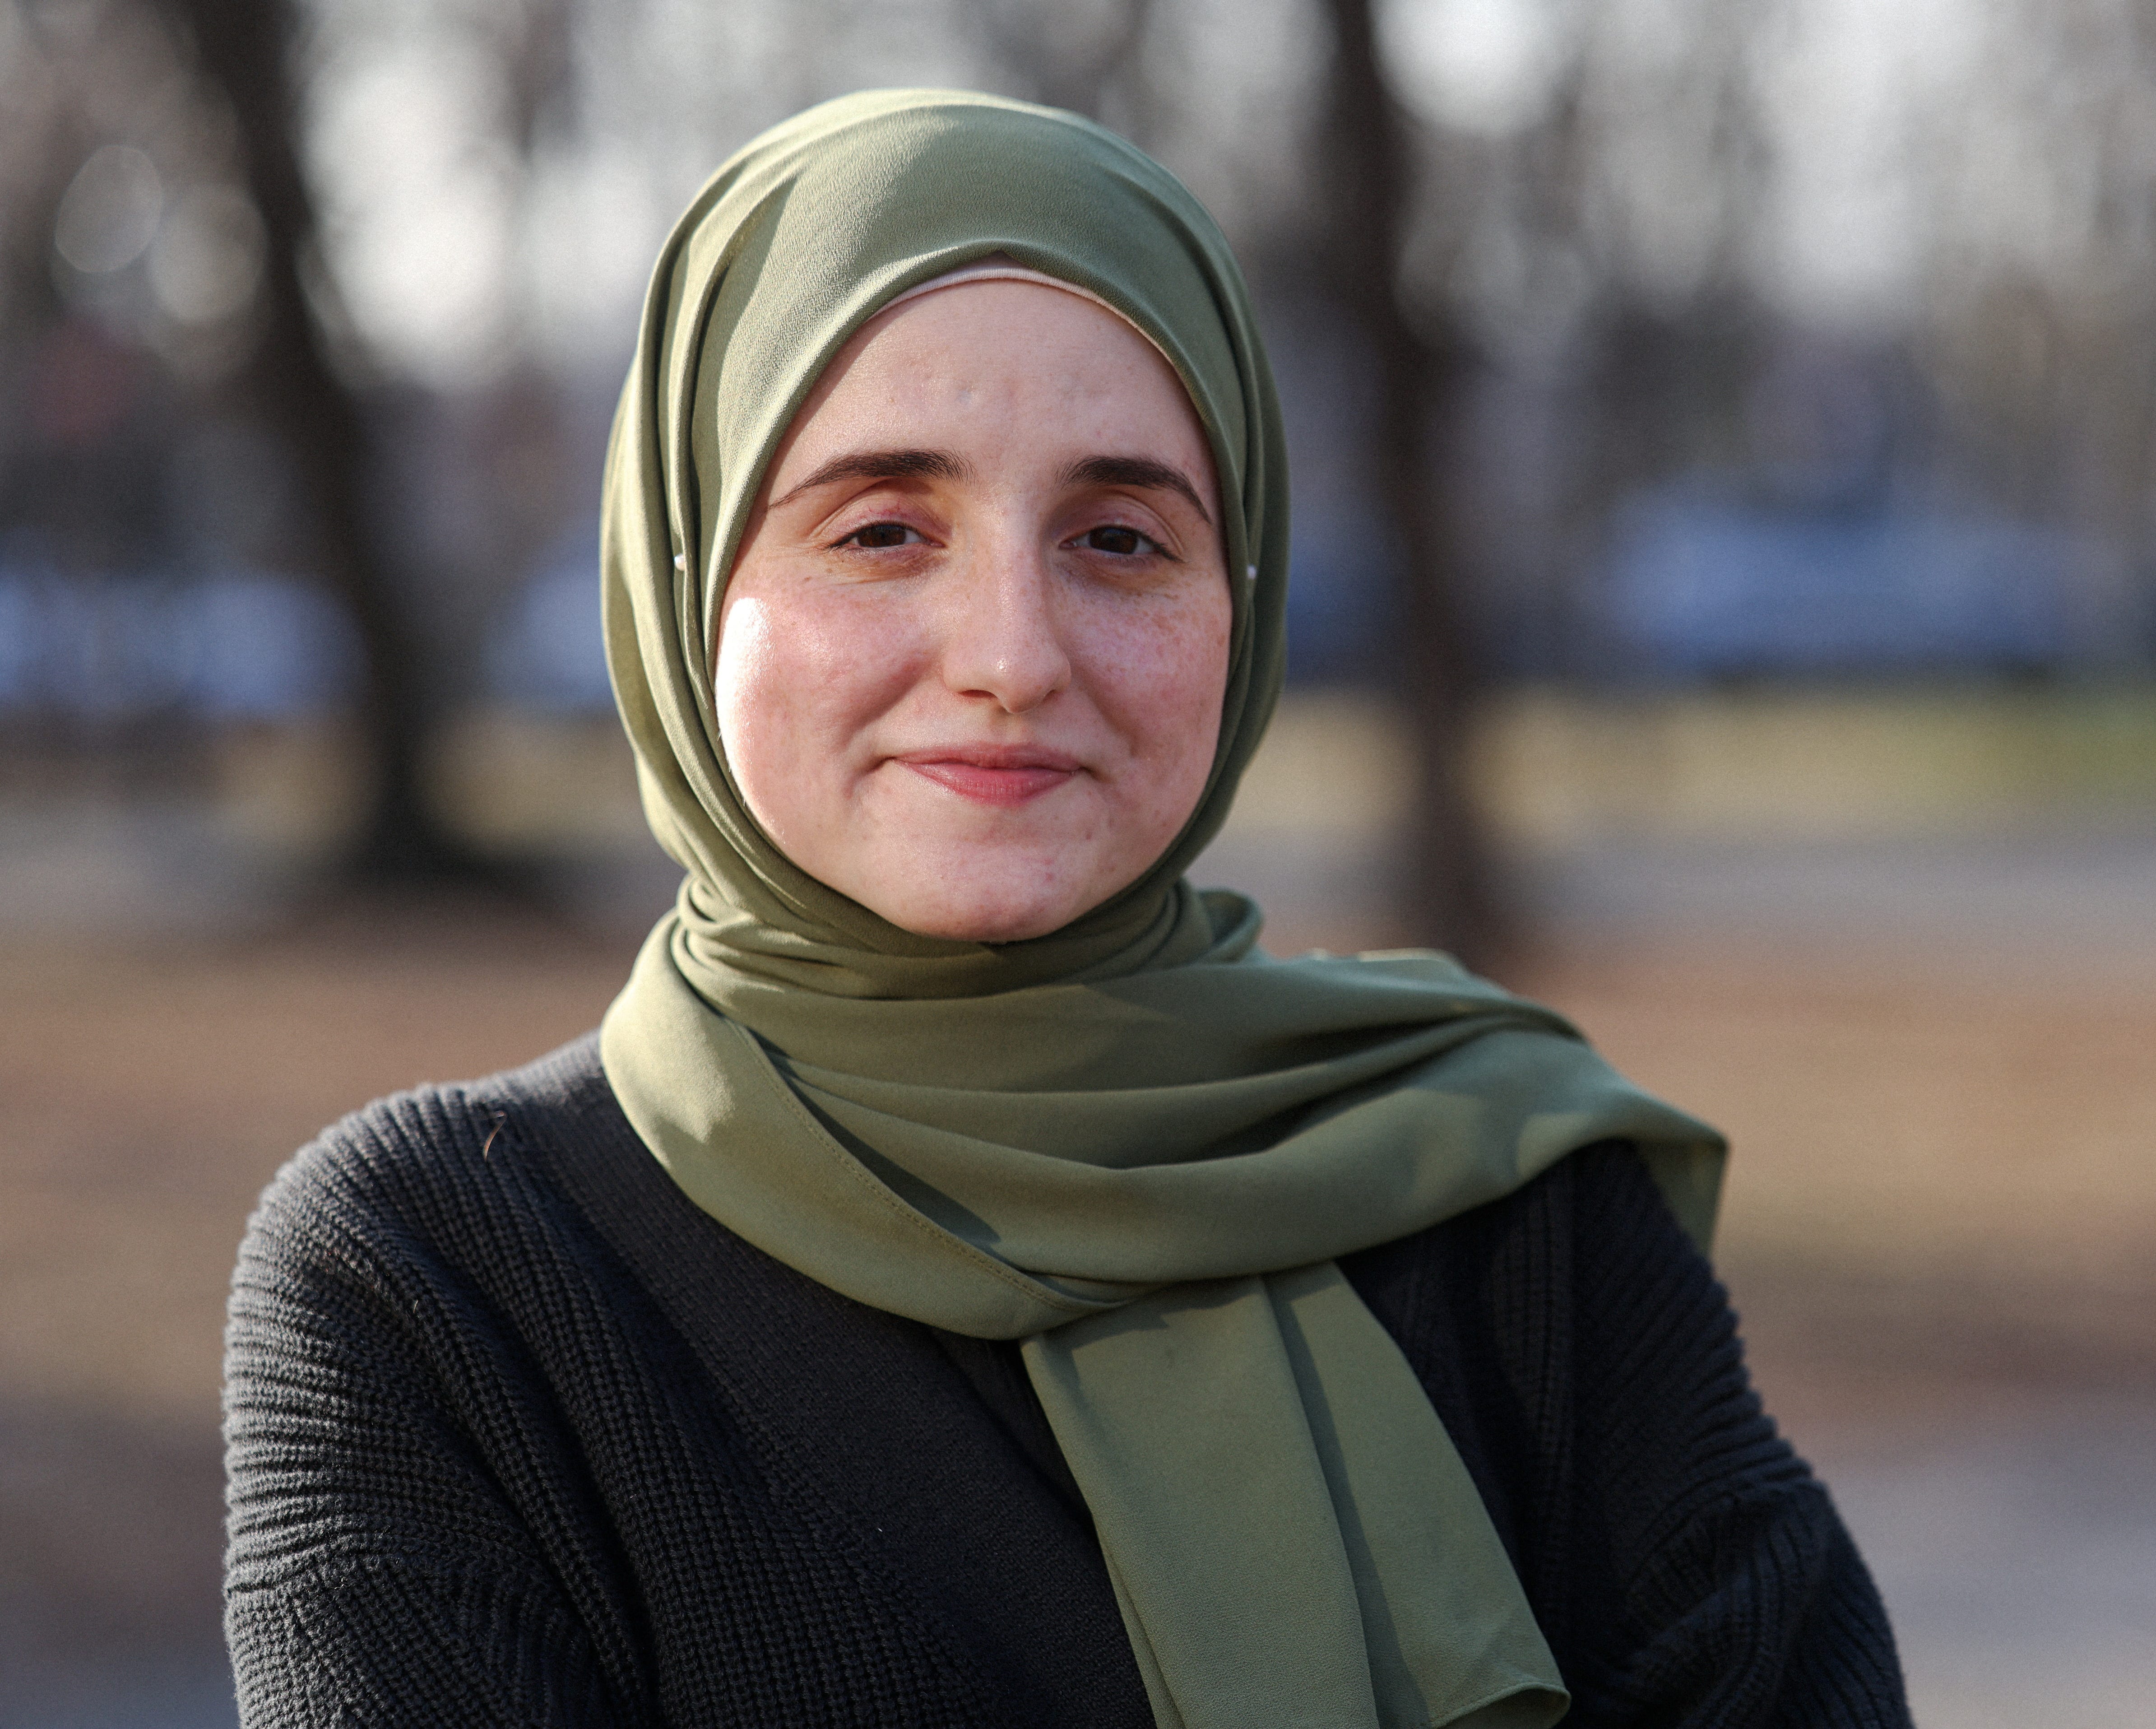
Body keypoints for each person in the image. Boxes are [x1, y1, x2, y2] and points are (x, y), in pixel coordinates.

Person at [222, 88, 1910, 1729]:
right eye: (883, 529)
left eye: (1116, 539)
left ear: (1238, 599)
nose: (1014, 658)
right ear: (684, 580)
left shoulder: (1514, 1208)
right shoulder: (436, 1289)